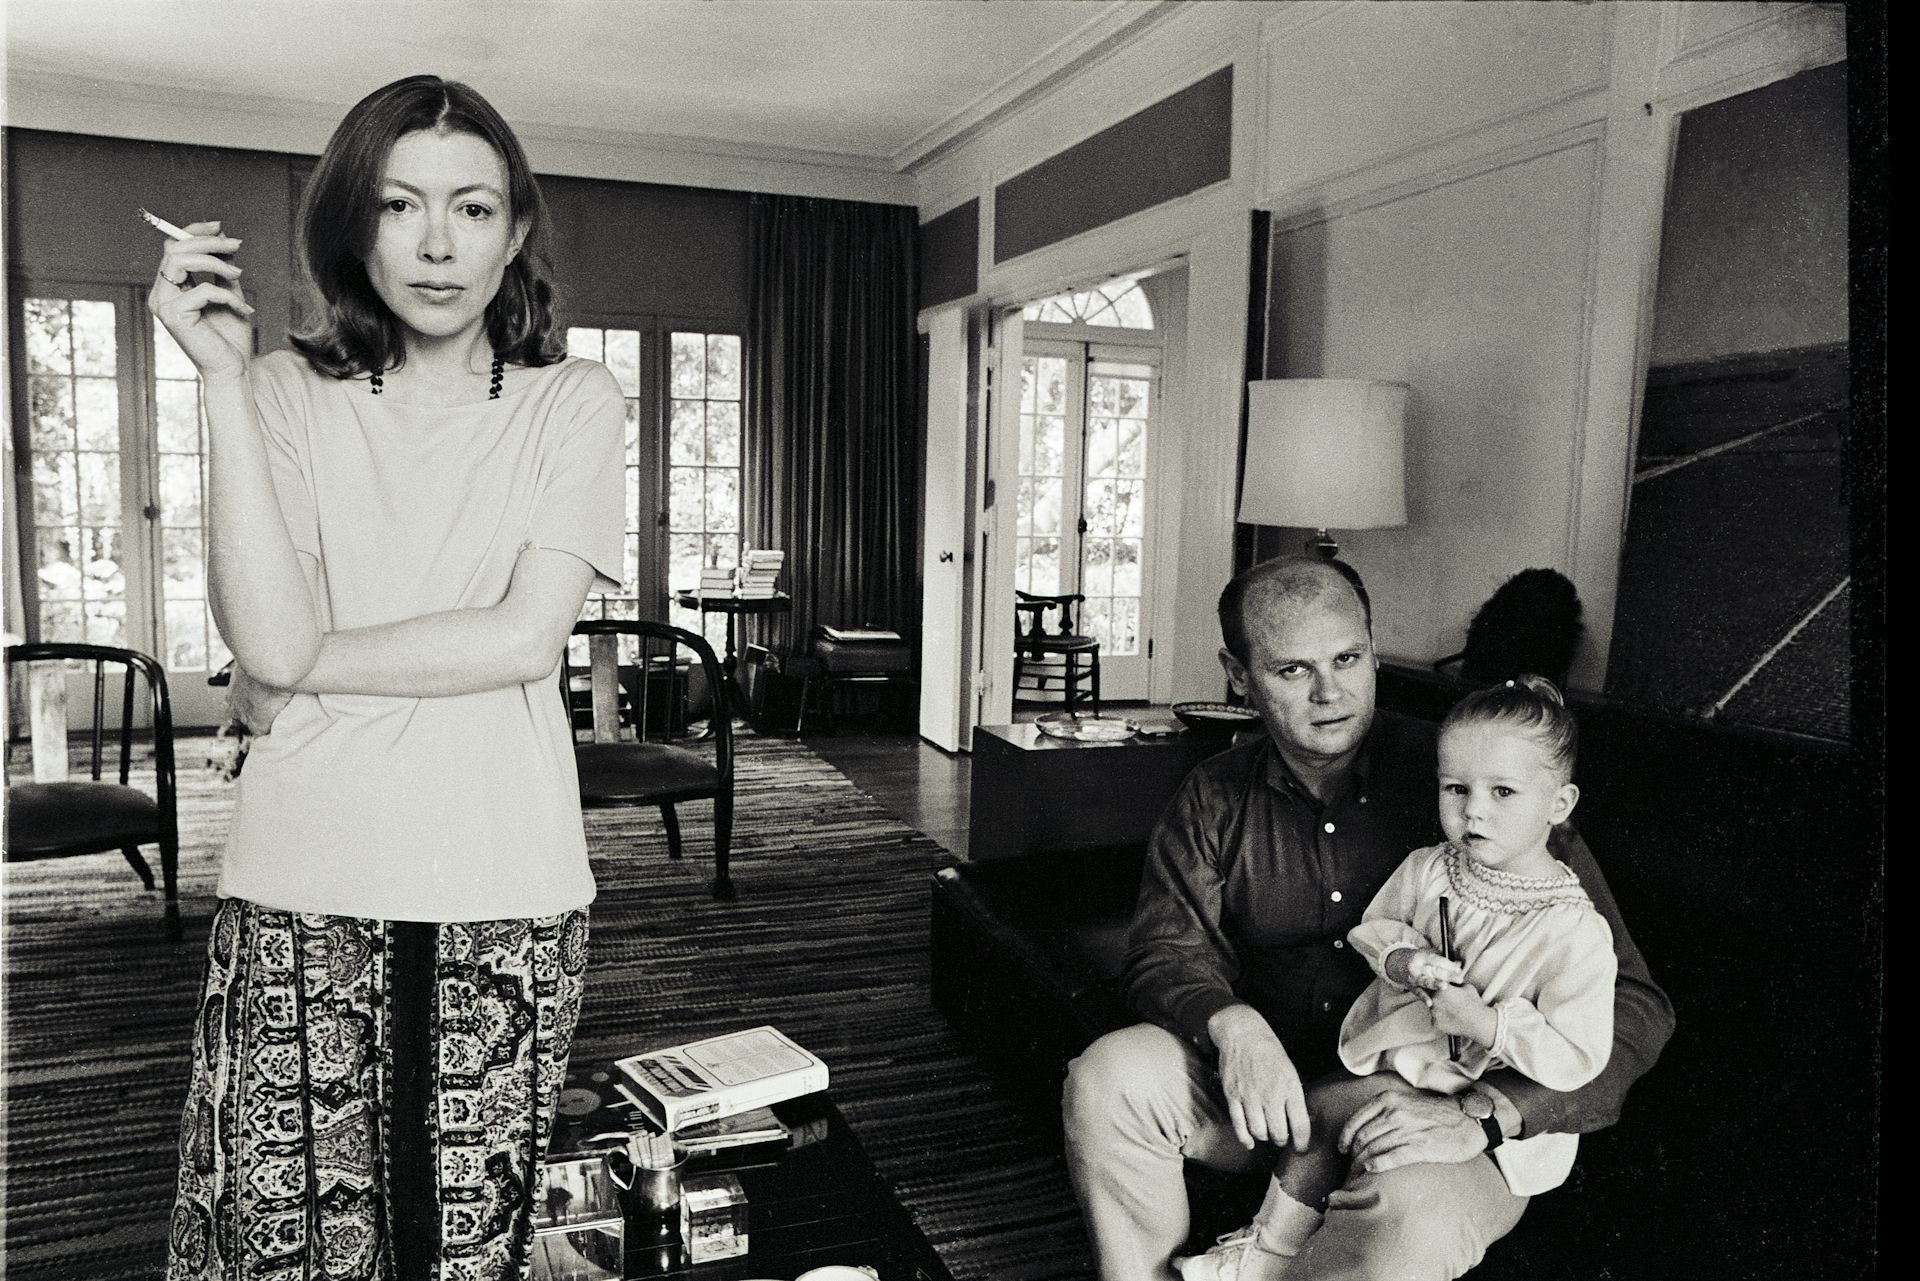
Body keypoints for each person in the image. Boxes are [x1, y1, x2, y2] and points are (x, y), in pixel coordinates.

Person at [150, 75, 625, 1280]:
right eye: (401, 204)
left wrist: (303, 668)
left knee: (465, 1249)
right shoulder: (278, 392)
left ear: (516, 231)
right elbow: (264, 632)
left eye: (472, 209)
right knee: (277, 1243)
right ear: (355, 224)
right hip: (304, 864)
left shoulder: (574, 401)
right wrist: (218, 380)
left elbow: (523, 638)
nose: (434, 242)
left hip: (506, 869)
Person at [1062, 556, 1674, 1281]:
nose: (1330, 692)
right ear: (1238, 674)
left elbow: (1636, 1005)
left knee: (1408, 1221)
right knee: (1109, 1076)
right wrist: (1233, 1025)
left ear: (1373, 650)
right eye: (1292, 670)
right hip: (1273, 1098)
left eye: (1348, 658)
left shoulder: (1473, 777)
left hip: (1436, 1112)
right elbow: (1165, 951)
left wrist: (1485, 1112)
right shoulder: (1214, 795)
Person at [1177, 675, 1618, 1280]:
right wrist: (1402, 960)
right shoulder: (1432, 869)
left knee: (1381, 1163)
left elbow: (1579, 1055)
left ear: (1559, 805)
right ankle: (1267, 1252)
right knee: (1326, 1108)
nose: (1474, 811)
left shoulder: (1574, 930)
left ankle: (1274, 1261)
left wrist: (1487, 1024)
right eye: (1456, 788)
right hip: (1412, 1071)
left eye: (1504, 792)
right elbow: (1375, 928)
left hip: (1486, 1112)